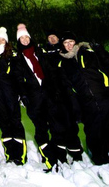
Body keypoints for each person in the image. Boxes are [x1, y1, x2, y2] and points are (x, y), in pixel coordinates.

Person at [57, 31, 109, 174]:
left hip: (107, 98)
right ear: (62, 45)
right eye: (65, 43)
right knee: (94, 136)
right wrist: (77, 109)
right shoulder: (63, 63)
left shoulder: (89, 51)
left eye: (71, 42)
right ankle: (102, 164)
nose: (69, 45)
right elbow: (68, 89)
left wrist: (101, 50)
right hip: (88, 105)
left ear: (76, 42)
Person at [12, 23, 82, 171]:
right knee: (41, 130)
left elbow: (51, 72)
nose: (24, 40)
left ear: (30, 38)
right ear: (18, 41)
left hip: (50, 97)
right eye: (21, 38)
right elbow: (18, 79)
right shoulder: (18, 58)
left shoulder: (40, 53)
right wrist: (24, 96)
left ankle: (63, 156)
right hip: (34, 101)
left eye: (26, 37)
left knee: (57, 127)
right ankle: (50, 159)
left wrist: (55, 89)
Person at [0, 26, 27, 165]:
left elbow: (17, 75)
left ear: (7, 41)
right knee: (4, 124)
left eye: (3, 39)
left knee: (15, 123)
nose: (0, 41)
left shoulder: (12, 55)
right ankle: (10, 154)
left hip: (11, 93)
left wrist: (21, 93)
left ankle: (20, 156)